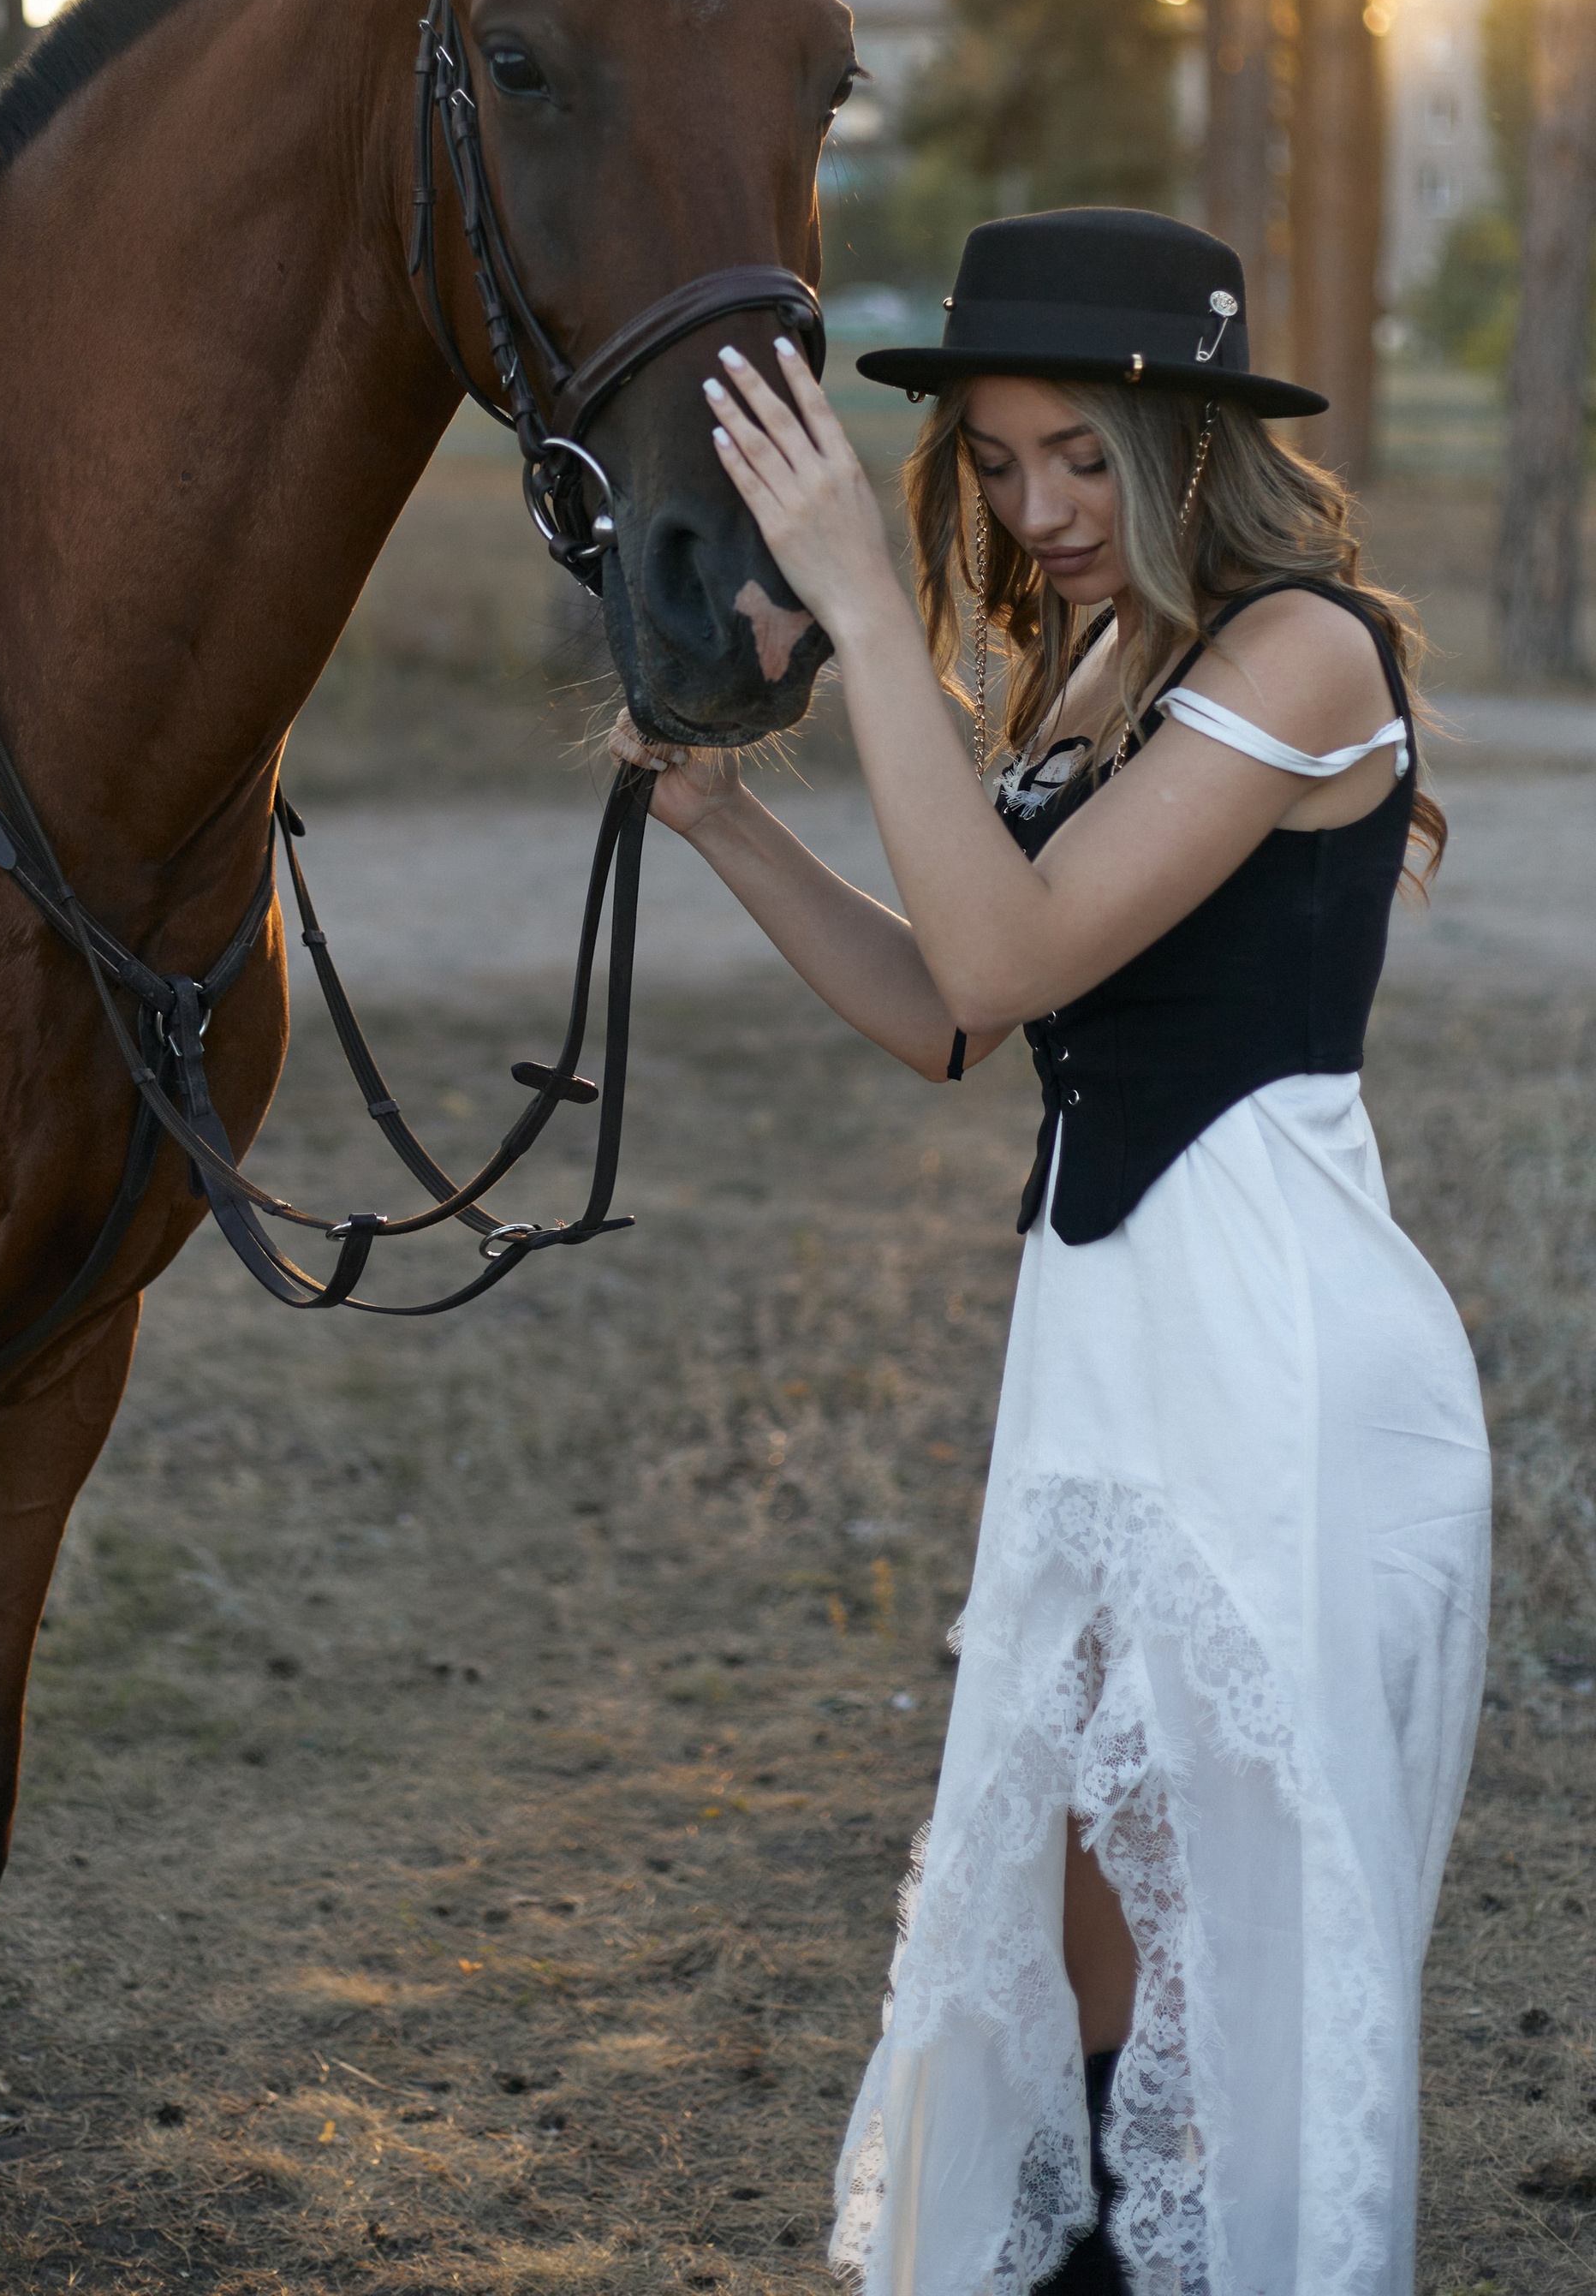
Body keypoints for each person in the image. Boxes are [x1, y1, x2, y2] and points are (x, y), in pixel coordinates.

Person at [612, 208, 1490, 2296]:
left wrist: (860, 608)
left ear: (1192, 442)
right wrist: (726, 817)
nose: (1037, 510)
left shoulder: (1297, 652)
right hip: (1102, 1323)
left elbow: (1001, 951)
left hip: (1268, 1331)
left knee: (1221, 1870)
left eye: (1083, 456)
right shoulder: (1091, 666)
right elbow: (951, 1013)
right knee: (1082, 1840)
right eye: (997, 464)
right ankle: (1102, 2255)